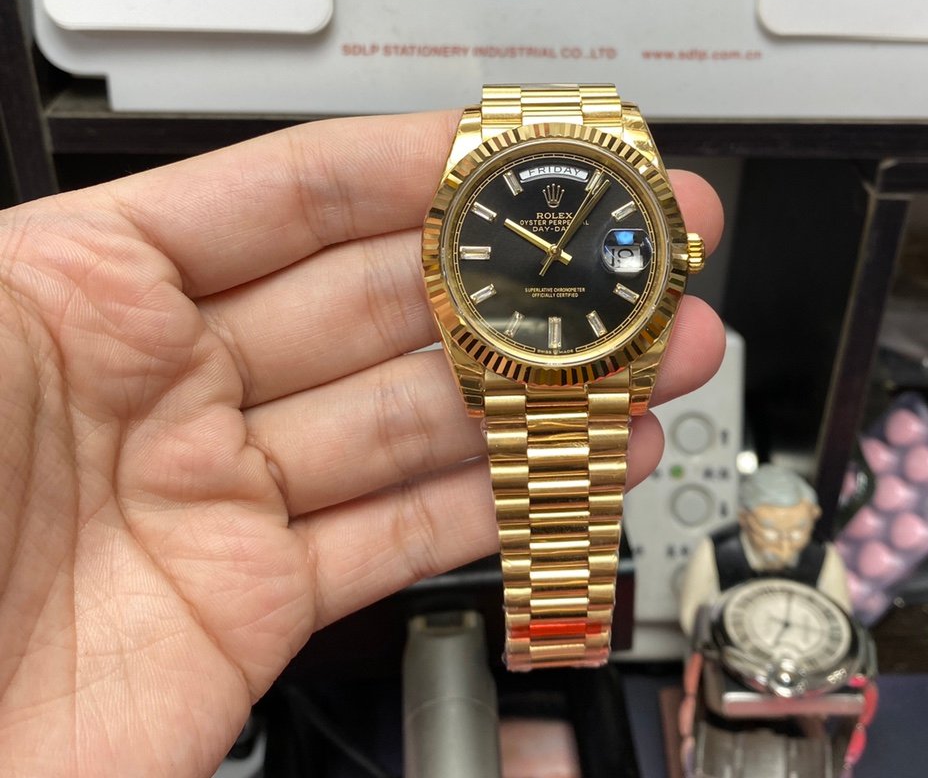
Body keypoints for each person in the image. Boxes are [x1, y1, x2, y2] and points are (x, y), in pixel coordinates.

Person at [0, 110, 725, 777]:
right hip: (527, 355)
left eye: (564, 245)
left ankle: (562, 637)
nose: (556, 257)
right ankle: (559, 643)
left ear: (678, 257)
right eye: (545, 246)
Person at [679, 464, 851, 638]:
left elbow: (841, 615)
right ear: (744, 519)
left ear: (814, 515)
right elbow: (692, 612)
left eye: (797, 531)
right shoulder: (717, 550)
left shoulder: (822, 554)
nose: (784, 545)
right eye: (770, 532)